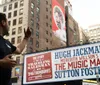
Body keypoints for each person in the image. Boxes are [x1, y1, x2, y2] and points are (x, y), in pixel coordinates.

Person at [0, 13, 31, 85]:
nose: (9, 26)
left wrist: (26, 38)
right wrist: (1, 62)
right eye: (8, 23)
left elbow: (19, 50)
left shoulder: (7, 43)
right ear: (3, 22)